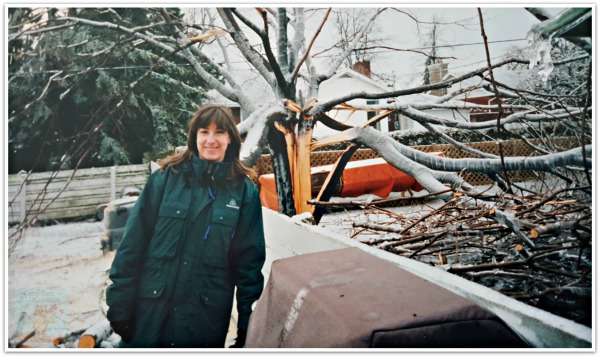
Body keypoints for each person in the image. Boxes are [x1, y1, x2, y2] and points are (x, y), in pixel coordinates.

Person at [105, 104, 266, 348]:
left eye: (220, 132)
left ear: (231, 139)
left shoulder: (244, 193)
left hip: (204, 321)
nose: (211, 140)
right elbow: (132, 245)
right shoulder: (165, 179)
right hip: (151, 312)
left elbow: (249, 266)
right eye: (204, 132)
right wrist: (119, 305)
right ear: (194, 137)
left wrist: (247, 323)